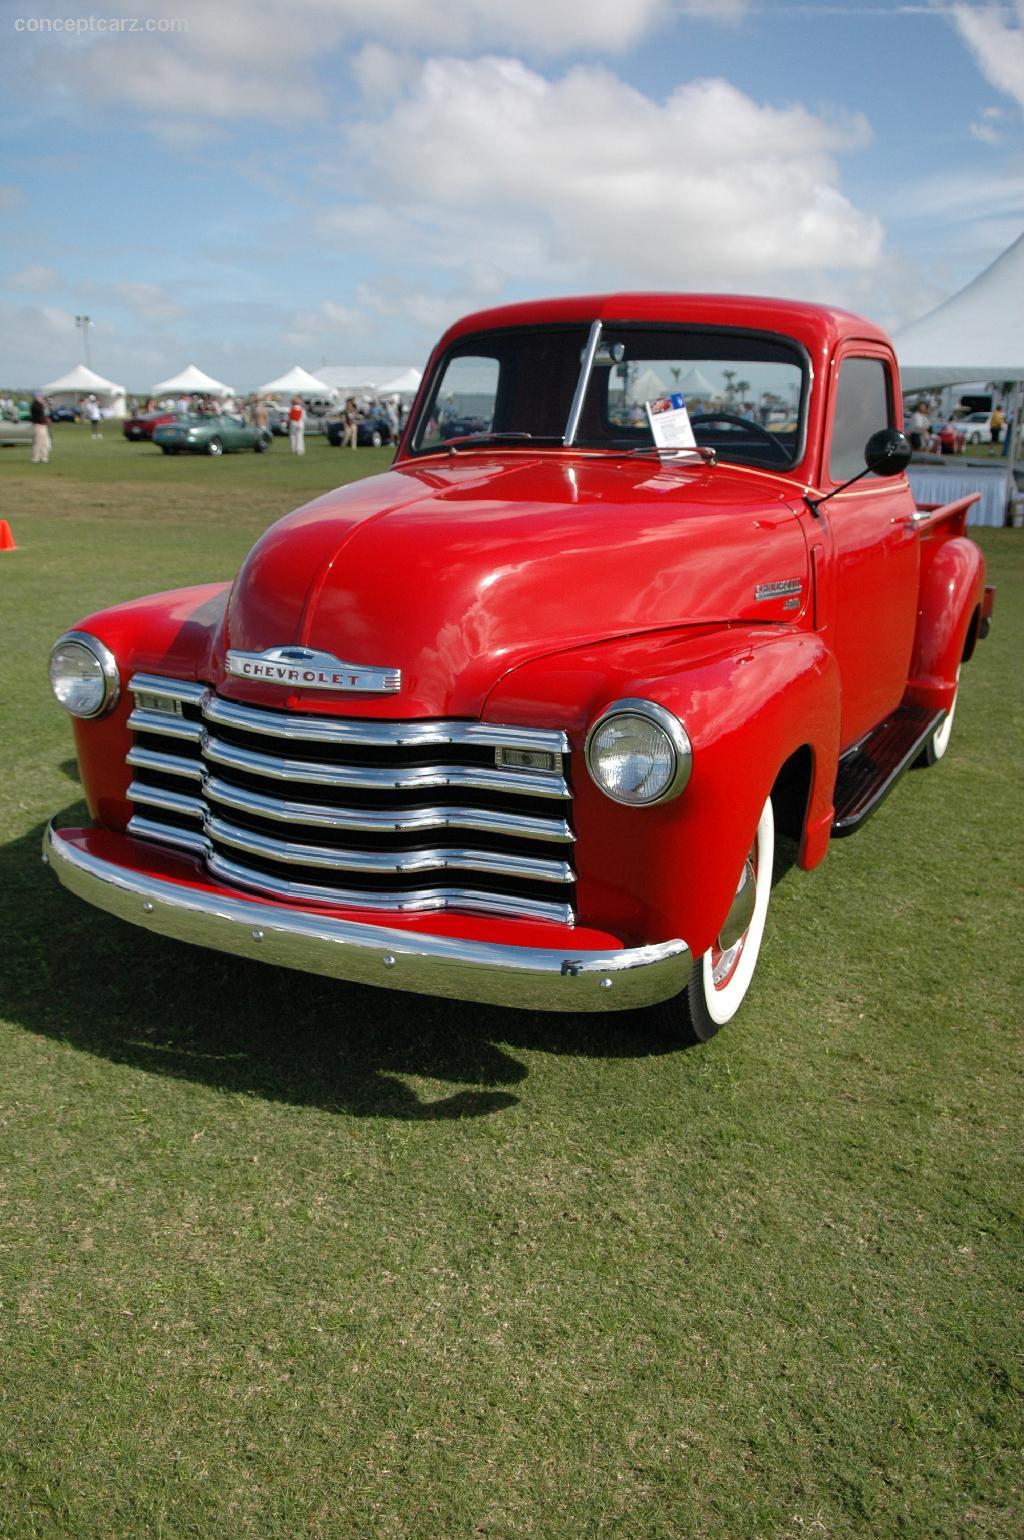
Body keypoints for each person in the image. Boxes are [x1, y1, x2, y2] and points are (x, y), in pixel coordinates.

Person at [30, 391, 51, 464]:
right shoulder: (35, 405)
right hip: (38, 425)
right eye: (39, 397)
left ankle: (44, 457)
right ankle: (35, 458)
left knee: (45, 443)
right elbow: (38, 411)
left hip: (43, 425)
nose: (41, 398)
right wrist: (42, 404)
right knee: (38, 442)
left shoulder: (41, 405)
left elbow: (44, 413)